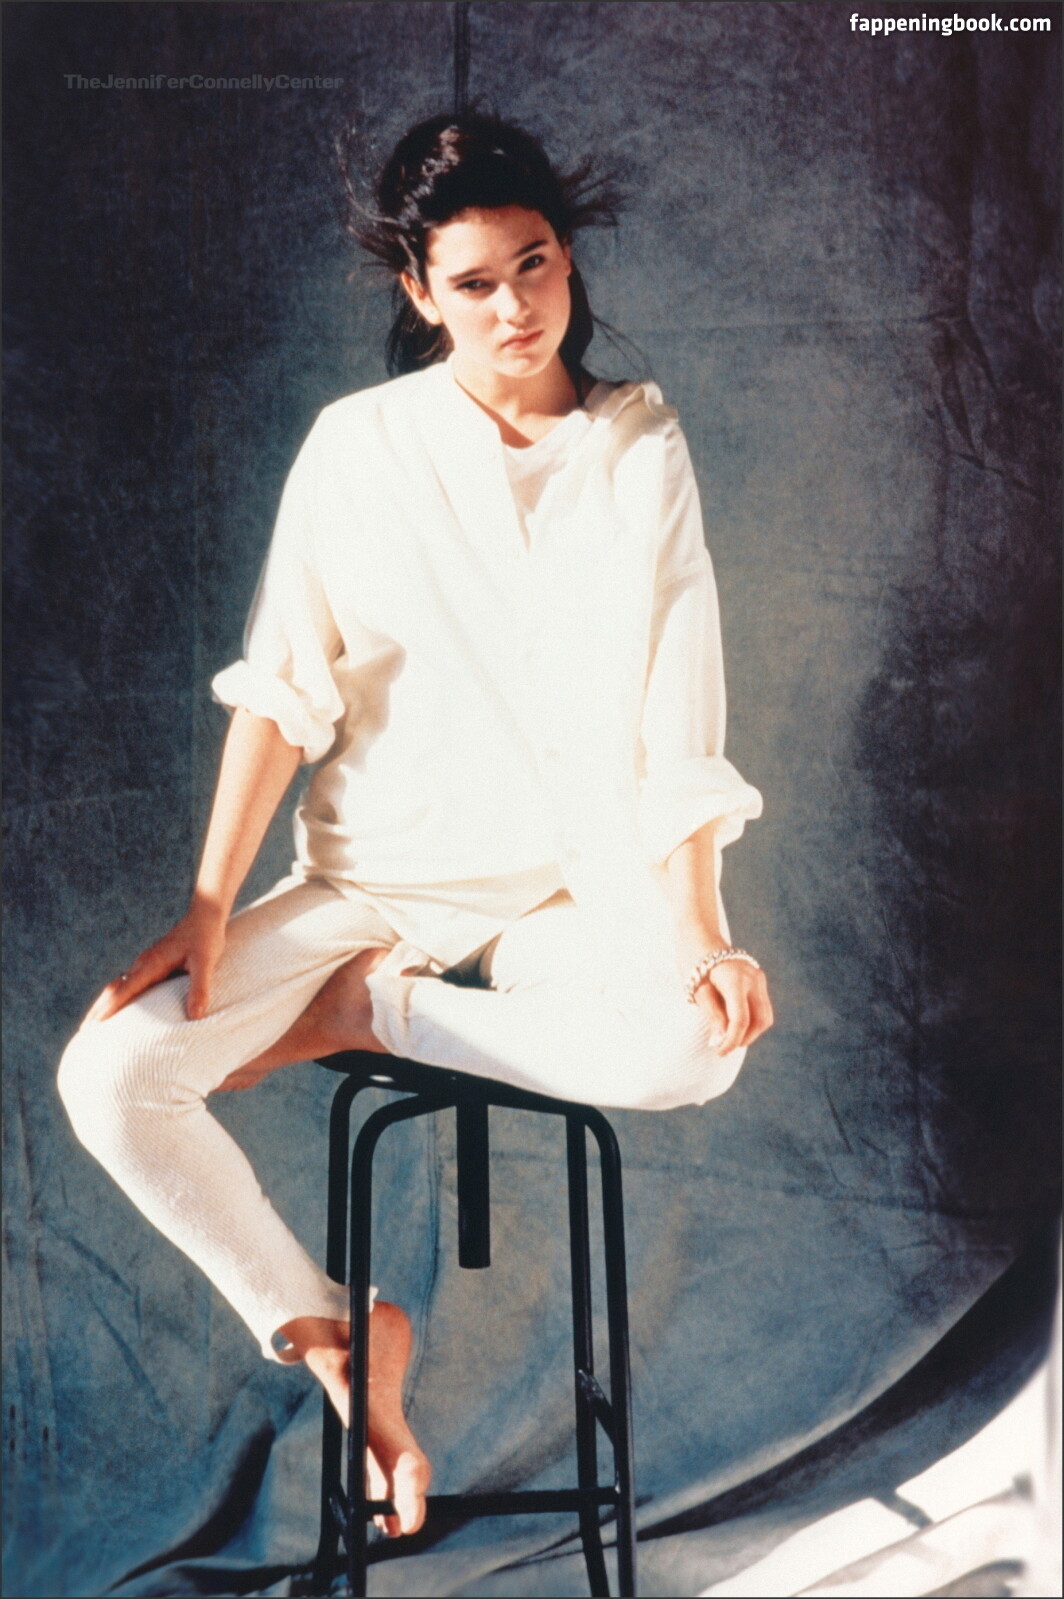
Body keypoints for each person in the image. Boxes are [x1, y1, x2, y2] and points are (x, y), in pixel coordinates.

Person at [57, 111, 774, 1540]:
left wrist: (701, 931)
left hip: (572, 893)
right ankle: (336, 1340)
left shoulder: (638, 441)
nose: (515, 308)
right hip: (372, 885)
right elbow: (281, 692)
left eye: (536, 264)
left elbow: (678, 714)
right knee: (111, 1078)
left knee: (700, 1046)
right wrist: (208, 908)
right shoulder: (358, 446)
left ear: (567, 256)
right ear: (418, 291)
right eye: (474, 283)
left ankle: (373, 1013)